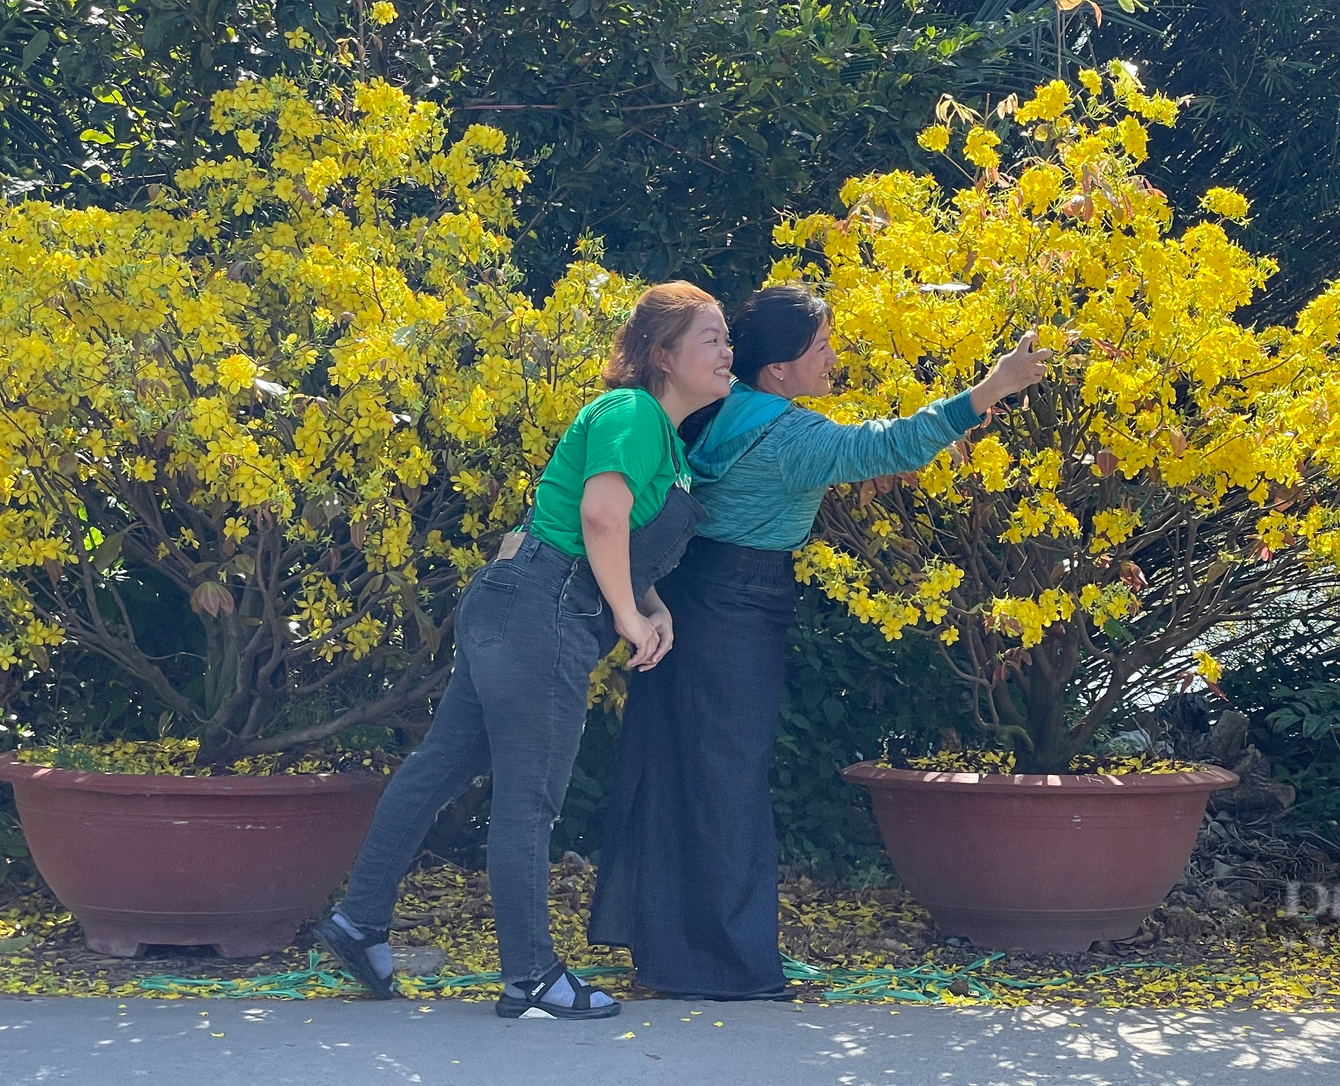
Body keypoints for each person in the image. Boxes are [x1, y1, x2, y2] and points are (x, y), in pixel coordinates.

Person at [588, 283, 1049, 998]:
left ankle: (670, 950)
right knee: (730, 780)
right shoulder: (791, 439)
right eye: (821, 348)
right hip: (740, 606)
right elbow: (894, 444)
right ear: (778, 370)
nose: (833, 357)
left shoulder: (705, 408)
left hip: (678, 597)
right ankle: (727, 966)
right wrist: (996, 385)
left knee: (674, 766)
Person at [314, 282, 734, 1020]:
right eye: (711, 338)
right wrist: (629, 620)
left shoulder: (666, 442)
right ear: (664, 357)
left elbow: (623, 545)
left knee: (440, 766)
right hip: (543, 607)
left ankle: (358, 922)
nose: (728, 351)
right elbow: (600, 519)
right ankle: (531, 977)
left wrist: (650, 606)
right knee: (527, 796)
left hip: (525, 600)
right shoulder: (633, 412)